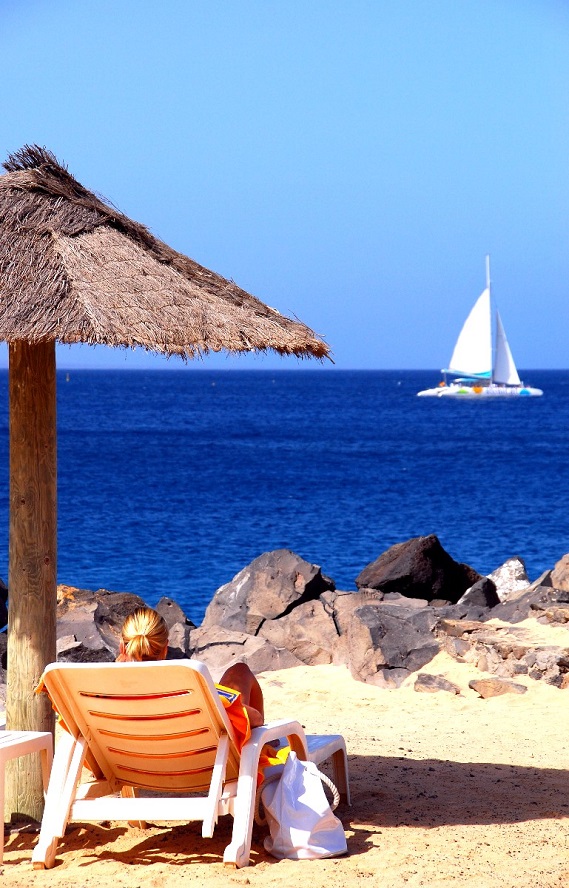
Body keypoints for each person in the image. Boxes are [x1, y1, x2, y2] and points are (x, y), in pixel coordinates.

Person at [117, 607, 266, 749]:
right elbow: (256, 719)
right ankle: (263, 746)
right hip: (206, 763)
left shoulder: (106, 691)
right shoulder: (186, 686)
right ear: (165, 648)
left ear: (122, 647)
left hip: (129, 762)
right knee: (240, 671)